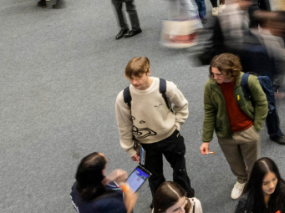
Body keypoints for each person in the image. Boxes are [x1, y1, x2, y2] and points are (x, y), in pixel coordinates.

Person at [114, 56, 193, 198]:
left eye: (138, 77)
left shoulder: (166, 87)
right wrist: (130, 149)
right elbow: (124, 125)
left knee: (180, 171)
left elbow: (182, 106)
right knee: (154, 178)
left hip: (170, 138)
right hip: (146, 145)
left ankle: (186, 199)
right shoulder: (124, 97)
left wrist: (176, 125)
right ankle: (160, 204)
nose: (134, 82)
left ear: (148, 72)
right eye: (131, 79)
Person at [200, 53, 269, 200]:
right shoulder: (210, 86)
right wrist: (206, 139)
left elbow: (262, 103)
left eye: (219, 74)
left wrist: (255, 127)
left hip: (247, 130)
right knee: (234, 162)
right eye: (213, 73)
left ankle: (255, 183)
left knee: (253, 162)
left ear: (231, 72)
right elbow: (209, 112)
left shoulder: (248, 81)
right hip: (225, 134)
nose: (215, 77)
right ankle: (241, 180)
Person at [71, 152, 137, 213]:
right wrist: (127, 189)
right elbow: (127, 210)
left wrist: (106, 180)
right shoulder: (108, 202)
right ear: (102, 171)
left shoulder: (76, 186)